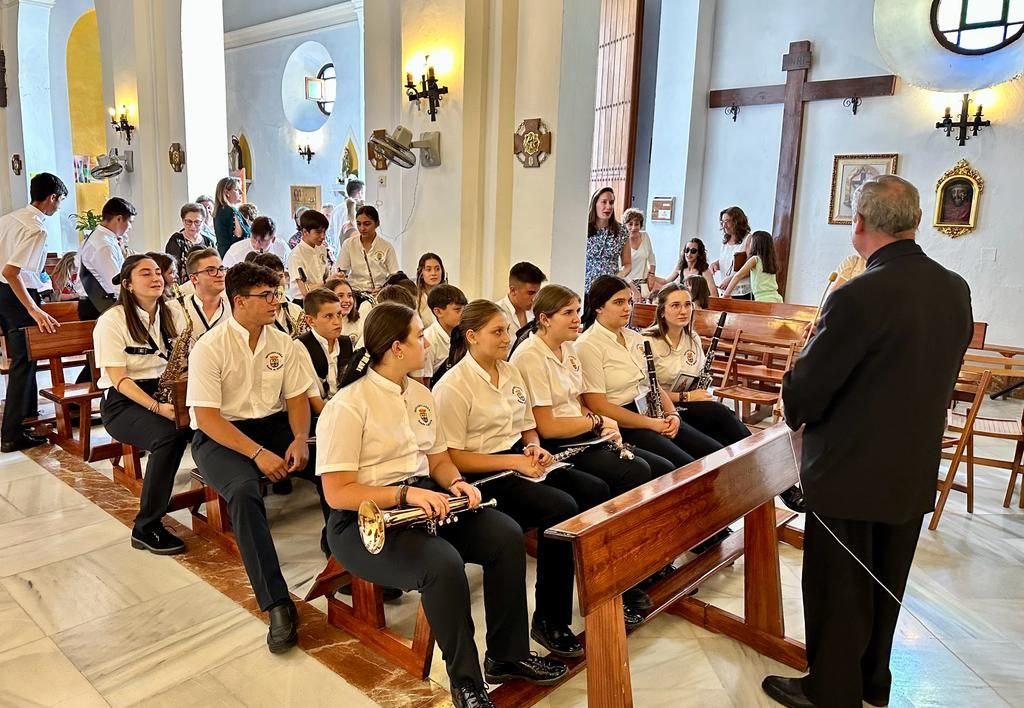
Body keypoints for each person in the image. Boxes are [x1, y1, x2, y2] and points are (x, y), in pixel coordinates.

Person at [762, 175, 974, 708]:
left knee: (840, 588)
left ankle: (832, 690)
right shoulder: (954, 288)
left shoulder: (857, 295)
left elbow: (807, 393)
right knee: (886, 582)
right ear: (917, 221)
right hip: (913, 467)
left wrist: (794, 381)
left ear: (858, 223)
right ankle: (873, 683)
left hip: (851, 472)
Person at [317, 303, 567, 707]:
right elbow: (338, 493)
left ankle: (507, 655)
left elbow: (437, 460)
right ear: (396, 348)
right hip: (363, 519)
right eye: (419, 336)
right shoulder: (347, 405)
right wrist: (405, 494)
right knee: (443, 564)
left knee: (505, 535)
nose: (427, 342)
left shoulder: (420, 393)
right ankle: (466, 682)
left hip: (424, 500)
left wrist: (456, 483)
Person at [434, 299, 613, 655]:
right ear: (472, 336)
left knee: (594, 490)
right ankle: (549, 619)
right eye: (497, 332)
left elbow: (527, 425)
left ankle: (600, 593)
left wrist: (533, 447)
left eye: (506, 330)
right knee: (561, 509)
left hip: (517, 458)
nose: (507, 338)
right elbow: (452, 456)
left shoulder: (509, 371)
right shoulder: (453, 385)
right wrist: (515, 462)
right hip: (481, 472)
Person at [187, 261, 314, 654]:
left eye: (277, 293)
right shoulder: (210, 347)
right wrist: (258, 454)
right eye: (267, 295)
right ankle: (276, 602)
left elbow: (296, 399)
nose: (276, 302)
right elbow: (207, 417)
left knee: (331, 465)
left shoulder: (284, 343)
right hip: (221, 434)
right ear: (239, 301)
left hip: (272, 426)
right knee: (243, 492)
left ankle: (346, 556)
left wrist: (299, 438)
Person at [94, 255, 192, 554]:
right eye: (145, 273)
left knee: (213, 422)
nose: (156, 278)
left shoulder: (173, 312)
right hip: (124, 401)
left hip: (167, 389)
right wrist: (157, 408)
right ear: (127, 284)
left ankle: (222, 502)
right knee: (169, 436)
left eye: (158, 272)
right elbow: (119, 379)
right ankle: (146, 526)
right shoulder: (112, 320)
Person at [577, 275, 724, 474]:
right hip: (623, 421)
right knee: (686, 467)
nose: (627, 308)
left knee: (715, 453)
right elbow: (599, 406)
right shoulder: (588, 345)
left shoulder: (635, 338)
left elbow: (651, 384)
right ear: (598, 307)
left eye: (629, 301)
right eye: (619, 302)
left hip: (651, 410)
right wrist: (652, 424)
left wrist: (673, 414)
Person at [0, 173, 66, 452]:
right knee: (23, 363)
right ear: (52, 198)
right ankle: (11, 435)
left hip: (3, 295)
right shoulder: (36, 228)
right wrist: (33, 308)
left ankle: (25, 419)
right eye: (60, 201)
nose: (58, 207)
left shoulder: (9, 218)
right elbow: (11, 272)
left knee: (24, 361)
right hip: (17, 295)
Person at [643, 284, 750, 446]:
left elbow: (698, 376)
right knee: (719, 415)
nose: (683, 311)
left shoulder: (693, 338)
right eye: (675, 305)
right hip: (661, 410)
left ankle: (753, 450)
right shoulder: (647, 341)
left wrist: (697, 393)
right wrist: (687, 396)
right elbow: (646, 391)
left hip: (688, 405)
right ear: (662, 311)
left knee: (723, 428)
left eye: (687, 305)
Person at [79, 197, 136, 317]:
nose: (130, 227)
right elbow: (115, 282)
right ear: (119, 219)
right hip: (99, 305)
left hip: (99, 302)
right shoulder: (103, 244)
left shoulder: (102, 237)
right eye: (130, 222)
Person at [336, 206, 398, 295]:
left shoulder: (386, 247)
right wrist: (341, 275)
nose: (362, 228)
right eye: (359, 224)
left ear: (377, 224)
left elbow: (394, 275)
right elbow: (341, 270)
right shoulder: (349, 244)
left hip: (378, 294)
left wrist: (384, 288)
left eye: (367, 224)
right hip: (355, 293)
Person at [585, 187, 631, 293]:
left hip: (610, 288)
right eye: (604, 202)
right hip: (586, 287)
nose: (608, 206)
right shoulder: (584, 229)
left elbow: (627, 264)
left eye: (611, 202)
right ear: (595, 204)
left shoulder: (621, 231)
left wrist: (618, 277)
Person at [249, 253, 306, 338]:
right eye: (272, 277)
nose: (278, 282)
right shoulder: (254, 316)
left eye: (280, 276)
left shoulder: (296, 310)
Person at [721, 230, 783, 303]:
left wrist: (726, 294)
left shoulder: (755, 259)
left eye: (751, 242)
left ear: (755, 244)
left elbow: (738, 276)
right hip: (776, 298)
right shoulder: (770, 261)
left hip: (762, 300)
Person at [423, 283, 467, 382]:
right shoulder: (429, 340)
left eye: (465, 309)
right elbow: (425, 382)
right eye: (457, 310)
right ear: (438, 312)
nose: (463, 314)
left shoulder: (463, 332)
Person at [183, 249, 229, 340]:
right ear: (194, 279)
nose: (220, 274)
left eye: (221, 269)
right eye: (211, 270)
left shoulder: (234, 307)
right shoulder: (176, 310)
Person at [286, 209, 331, 302]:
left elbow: (325, 274)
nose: (323, 236)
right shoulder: (296, 255)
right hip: (303, 302)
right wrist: (327, 282)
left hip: (321, 297)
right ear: (305, 232)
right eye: (318, 232)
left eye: (324, 232)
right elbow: (305, 291)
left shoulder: (322, 248)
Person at [165, 203, 216, 283]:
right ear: (183, 221)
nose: (193, 226)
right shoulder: (176, 240)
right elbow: (172, 269)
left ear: (203, 222)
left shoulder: (209, 242)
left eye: (197, 222)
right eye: (189, 221)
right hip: (183, 286)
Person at [496, 261, 546, 343]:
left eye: (537, 293)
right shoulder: (495, 314)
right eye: (530, 293)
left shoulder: (538, 313)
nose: (535, 299)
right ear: (513, 290)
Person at [710, 206, 752, 300]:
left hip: (741, 292)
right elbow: (728, 260)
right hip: (726, 291)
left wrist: (731, 279)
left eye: (727, 221)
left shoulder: (748, 239)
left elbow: (750, 268)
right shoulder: (726, 240)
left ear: (737, 221)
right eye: (722, 222)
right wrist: (715, 264)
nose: (724, 225)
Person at [222, 216, 290, 268]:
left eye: (262, 240)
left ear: (273, 239)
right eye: (254, 239)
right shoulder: (235, 252)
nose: (257, 245)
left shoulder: (282, 248)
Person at [621, 208, 657, 297]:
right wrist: (634, 290)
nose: (633, 228)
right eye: (630, 224)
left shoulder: (645, 236)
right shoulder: (621, 241)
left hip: (643, 283)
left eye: (637, 224)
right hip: (626, 284)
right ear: (624, 225)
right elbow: (620, 270)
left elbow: (651, 257)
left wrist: (652, 275)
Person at [326, 277, 371, 347]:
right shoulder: (321, 324)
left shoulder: (360, 321)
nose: (347, 300)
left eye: (349, 296)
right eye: (340, 296)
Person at [212, 177, 250, 256]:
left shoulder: (220, 210)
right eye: (236, 190)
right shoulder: (229, 210)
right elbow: (239, 235)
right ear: (227, 192)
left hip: (225, 254)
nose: (241, 192)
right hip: (234, 255)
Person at [414, 252, 446, 327]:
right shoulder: (414, 298)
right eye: (428, 269)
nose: (433, 273)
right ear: (421, 273)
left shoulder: (450, 296)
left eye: (437, 269)